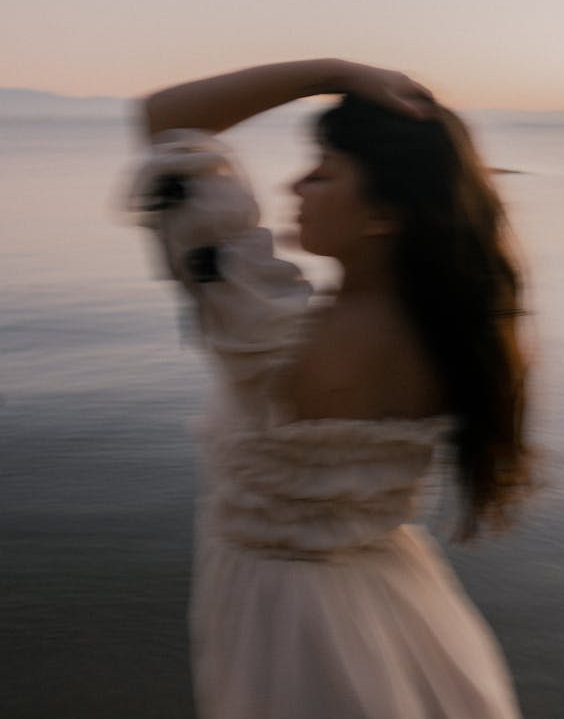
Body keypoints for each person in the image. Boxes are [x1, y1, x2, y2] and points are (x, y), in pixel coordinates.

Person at [120, 58, 534, 719]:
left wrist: (333, 72)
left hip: (289, 625)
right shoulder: (460, 336)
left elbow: (165, 118)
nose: (295, 186)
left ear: (384, 213)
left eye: (323, 171)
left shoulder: (269, 335)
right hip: (391, 602)